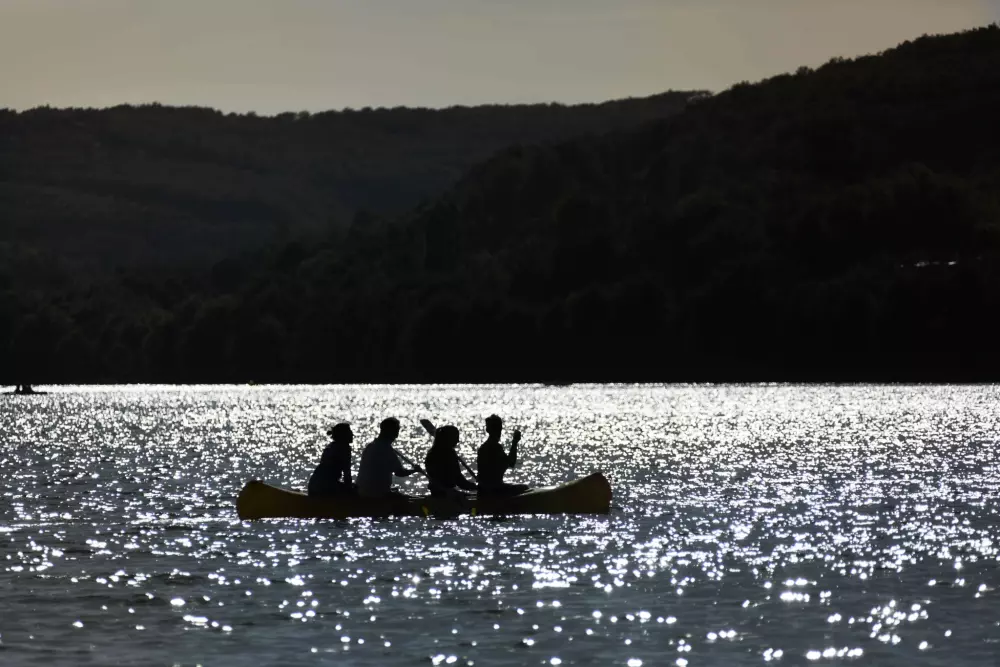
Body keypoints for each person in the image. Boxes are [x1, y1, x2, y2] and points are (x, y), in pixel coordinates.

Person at [356, 417, 420, 499]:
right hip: (376, 494)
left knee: (394, 490)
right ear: (392, 432)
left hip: (361, 491)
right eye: (397, 430)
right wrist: (415, 470)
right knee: (408, 499)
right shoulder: (386, 449)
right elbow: (400, 473)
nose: (397, 434)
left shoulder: (370, 446)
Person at [476, 414, 530, 495]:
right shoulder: (495, 447)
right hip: (494, 490)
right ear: (499, 429)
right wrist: (515, 442)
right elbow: (511, 463)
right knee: (525, 488)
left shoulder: (483, 448)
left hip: (483, 489)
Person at [424, 425, 477, 498]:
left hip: (437, 493)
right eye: (456, 437)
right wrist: (477, 487)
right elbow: (459, 481)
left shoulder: (432, 453)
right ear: (449, 438)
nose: (458, 441)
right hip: (444, 494)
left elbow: (458, 479)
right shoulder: (449, 454)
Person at [307, 423, 356, 497]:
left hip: (313, 485)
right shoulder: (345, 449)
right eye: (350, 432)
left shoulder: (331, 446)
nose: (352, 435)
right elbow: (347, 475)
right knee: (354, 491)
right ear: (344, 435)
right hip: (325, 488)